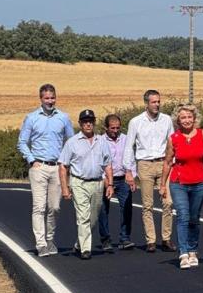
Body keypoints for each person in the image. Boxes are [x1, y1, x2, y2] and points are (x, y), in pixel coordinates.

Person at [17, 83, 74, 257]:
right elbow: (21, 142)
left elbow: (71, 142)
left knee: (54, 207)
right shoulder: (32, 118)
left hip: (57, 168)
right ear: (41, 99)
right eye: (47, 98)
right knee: (39, 207)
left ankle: (50, 240)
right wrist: (31, 160)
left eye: (52, 97)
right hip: (39, 167)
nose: (50, 101)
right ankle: (41, 243)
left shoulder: (63, 118)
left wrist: (67, 164)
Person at [160, 104, 203, 270]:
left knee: (194, 218)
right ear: (178, 120)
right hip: (179, 183)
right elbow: (167, 161)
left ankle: (193, 250)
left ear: (195, 118)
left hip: (199, 182)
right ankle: (184, 253)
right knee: (183, 216)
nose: (186, 120)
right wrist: (162, 184)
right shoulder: (174, 138)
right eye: (183, 117)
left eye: (189, 117)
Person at [123, 89, 175, 253]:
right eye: (154, 102)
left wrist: (173, 162)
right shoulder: (135, 122)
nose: (157, 104)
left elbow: (172, 143)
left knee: (168, 203)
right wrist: (129, 170)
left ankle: (166, 239)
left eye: (159, 101)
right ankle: (150, 240)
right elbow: (129, 147)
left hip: (163, 163)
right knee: (147, 205)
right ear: (146, 103)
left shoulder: (166, 120)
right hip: (144, 164)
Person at [58, 109, 114, 260]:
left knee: (93, 218)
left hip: (97, 183)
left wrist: (110, 184)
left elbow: (107, 164)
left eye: (90, 121)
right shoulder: (72, 142)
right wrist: (65, 187)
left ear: (94, 123)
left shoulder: (102, 141)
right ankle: (86, 250)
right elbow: (63, 165)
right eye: (85, 122)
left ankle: (79, 244)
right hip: (79, 182)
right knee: (83, 216)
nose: (88, 124)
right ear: (80, 124)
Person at [97, 114, 134, 250]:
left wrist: (131, 175)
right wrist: (104, 178)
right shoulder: (99, 141)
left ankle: (125, 238)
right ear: (106, 127)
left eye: (117, 128)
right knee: (103, 210)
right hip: (105, 179)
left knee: (127, 208)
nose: (115, 131)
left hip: (123, 178)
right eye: (112, 128)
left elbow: (131, 157)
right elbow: (97, 161)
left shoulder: (125, 139)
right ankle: (105, 240)